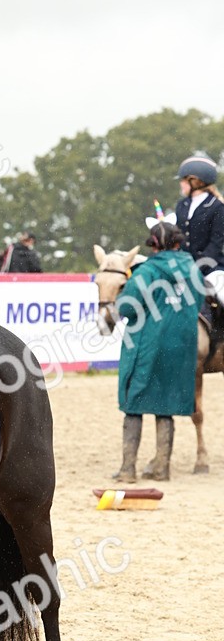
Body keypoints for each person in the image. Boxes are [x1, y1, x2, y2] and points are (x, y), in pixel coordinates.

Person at [112, 221, 206, 482]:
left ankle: (128, 469)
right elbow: (198, 302)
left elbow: (127, 308)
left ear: (154, 245)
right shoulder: (193, 270)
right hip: (182, 347)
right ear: (178, 243)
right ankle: (162, 467)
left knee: (134, 404)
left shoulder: (148, 271)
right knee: (165, 406)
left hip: (148, 345)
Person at [174, 153, 224, 347]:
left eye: (184, 181)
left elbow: (217, 242)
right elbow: (179, 238)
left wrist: (198, 267)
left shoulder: (217, 207)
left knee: (221, 293)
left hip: (212, 267)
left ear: (196, 181)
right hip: (183, 265)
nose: (181, 184)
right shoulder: (182, 205)